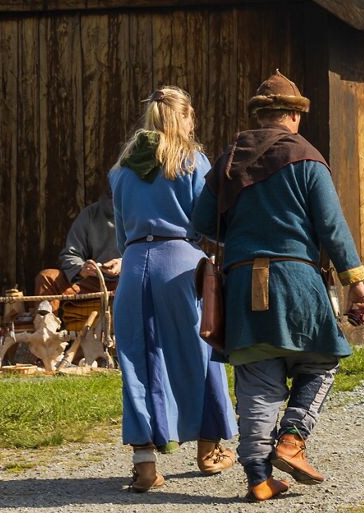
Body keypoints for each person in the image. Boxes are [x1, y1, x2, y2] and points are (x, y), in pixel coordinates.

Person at [192, 70, 364, 503]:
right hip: (296, 282)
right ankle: (291, 440)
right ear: (293, 115)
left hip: (240, 286)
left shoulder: (229, 160)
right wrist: (355, 282)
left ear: (258, 116)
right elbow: (331, 225)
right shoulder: (306, 157)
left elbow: (200, 223)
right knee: (322, 360)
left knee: (257, 380)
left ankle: (257, 478)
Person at [110, 86, 238, 491]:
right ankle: (208, 450)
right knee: (200, 352)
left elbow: (120, 232)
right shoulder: (191, 161)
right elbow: (205, 222)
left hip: (133, 267)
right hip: (180, 263)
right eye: (190, 116)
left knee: (137, 361)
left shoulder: (122, 169)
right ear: (184, 116)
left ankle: (145, 467)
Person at [33, 191, 121, 324]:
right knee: (47, 277)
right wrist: (82, 269)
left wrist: (124, 263)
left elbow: (152, 252)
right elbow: (70, 254)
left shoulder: (143, 214)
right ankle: (49, 334)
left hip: (128, 283)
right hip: (92, 282)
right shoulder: (91, 214)